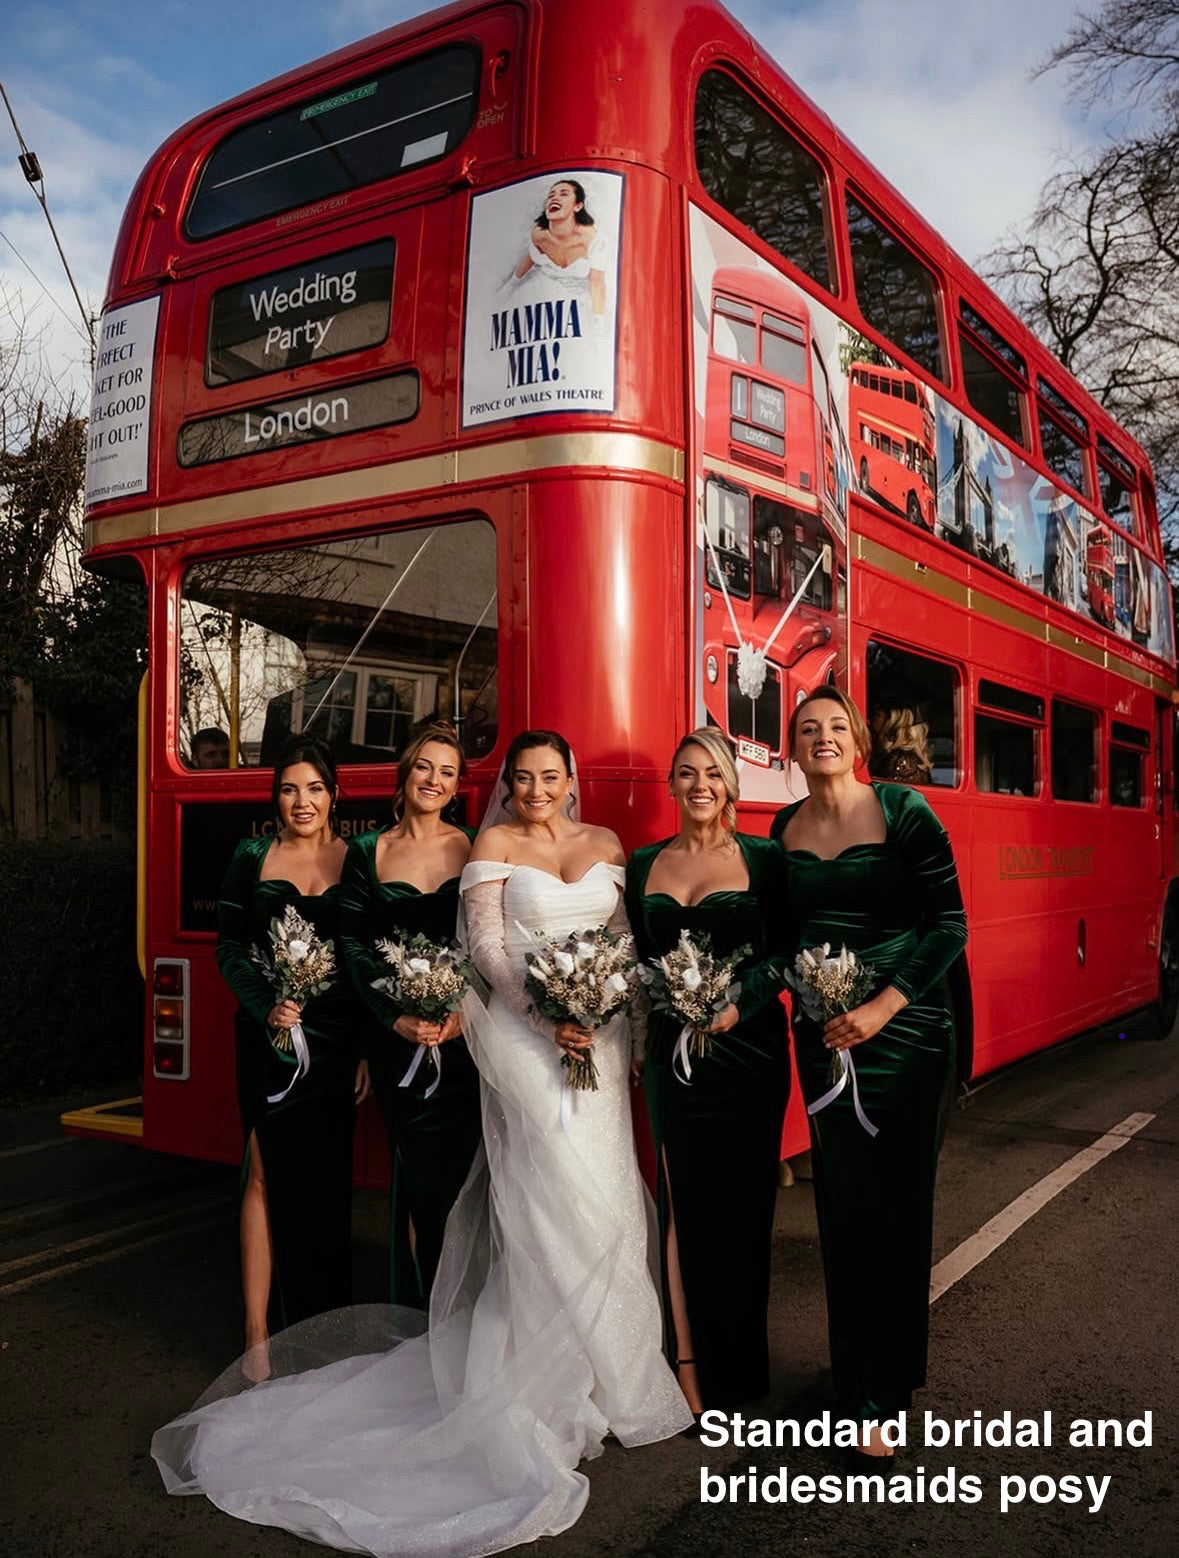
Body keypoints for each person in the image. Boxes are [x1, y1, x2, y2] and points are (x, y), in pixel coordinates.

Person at [151, 728, 689, 1554]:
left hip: (589, 1034)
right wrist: (535, 1015)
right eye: (523, 776)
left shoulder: (592, 843)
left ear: (569, 779)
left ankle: (617, 1367)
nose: (537, 787)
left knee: (605, 1193)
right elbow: (476, 948)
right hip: (487, 1032)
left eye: (551, 775)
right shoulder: (455, 846)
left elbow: (620, 939)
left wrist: (605, 1012)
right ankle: (476, 1359)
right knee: (530, 1199)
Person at [771, 687, 967, 1461]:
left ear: (856, 740)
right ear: (791, 749)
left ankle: (885, 1396)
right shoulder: (786, 829)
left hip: (908, 1031)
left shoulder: (903, 811)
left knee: (895, 1213)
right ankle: (854, 1388)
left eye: (833, 727)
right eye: (806, 729)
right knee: (842, 1217)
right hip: (824, 1037)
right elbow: (786, 939)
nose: (821, 737)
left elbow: (949, 924)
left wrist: (883, 1007)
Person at [626, 727, 790, 1413]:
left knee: (745, 1210)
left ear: (730, 785)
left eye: (712, 774)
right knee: (682, 1206)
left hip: (748, 1054)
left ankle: (741, 1372)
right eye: (687, 773)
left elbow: (785, 953)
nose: (700, 786)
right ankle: (689, 1372)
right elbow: (633, 962)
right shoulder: (641, 865)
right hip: (671, 1055)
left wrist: (736, 1004)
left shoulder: (765, 858)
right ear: (671, 784)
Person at [213, 735, 369, 1373]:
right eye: (288, 788)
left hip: (333, 1046)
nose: (301, 801)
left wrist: (360, 1047)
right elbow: (227, 946)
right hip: (265, 1040)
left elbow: (361, 959)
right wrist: (265, 1006)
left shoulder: (357, 858)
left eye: (313, 788)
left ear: (334, 794)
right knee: (261, 1175)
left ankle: (322, 1328)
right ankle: (257, 1336)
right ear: (274, 797)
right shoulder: (251, 855)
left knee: (327, 1187)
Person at [337, 722, 482, 1307]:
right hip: (399, 1047)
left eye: (447, 772)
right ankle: (425, 1316)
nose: (434, 779)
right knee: (419, 1186)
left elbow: (487, 944)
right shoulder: (368, 851)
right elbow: (351, 945)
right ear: (406, 769)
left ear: (456, 788)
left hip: (465, 1046)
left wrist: (466, 1016)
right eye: (425, 766)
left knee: (466, 1185)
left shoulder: (475, 847)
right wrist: (392, 1020)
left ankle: (467, 1318)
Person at [513, 178, 608, 317]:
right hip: (542, 302)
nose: (554, 198)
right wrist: (507, 289)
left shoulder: (591, 238)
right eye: (551, 195)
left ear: (577, 206)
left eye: (563, 194)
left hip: (579, 308)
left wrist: (598, 319)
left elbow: (597, 284)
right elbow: (529, 260)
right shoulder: (539, 235)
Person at [868, 706, 933, 785]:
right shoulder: (905, 758)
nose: (868, 722)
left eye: (876, 716)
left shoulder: (900, 761)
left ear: (893, 722)